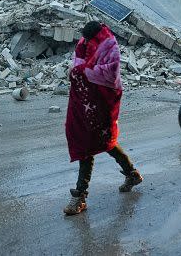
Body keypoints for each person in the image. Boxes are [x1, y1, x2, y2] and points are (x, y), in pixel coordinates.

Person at [63, 21, 142, 216]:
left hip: (102, 102)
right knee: (92, 143)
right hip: (84, 101)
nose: (88, 42)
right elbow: (78, 63)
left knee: (98, 143)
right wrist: (77, 73)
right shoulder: (84, 42)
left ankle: (80, 196)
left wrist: (82, 73)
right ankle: (132, 174)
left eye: (91, 39)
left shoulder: (109, 46)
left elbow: (110, 75)